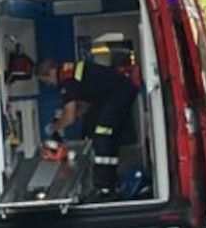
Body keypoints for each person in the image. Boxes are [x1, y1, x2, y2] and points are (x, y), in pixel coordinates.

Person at [53, 41, 143, 192]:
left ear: (49, 72)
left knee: (102, 133)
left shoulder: (66, 79)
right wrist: (65, 119)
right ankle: (110, 180)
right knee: (102, 132)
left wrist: (54, 127)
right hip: (116, 93)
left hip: (118, 93)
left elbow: (69, 116)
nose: (51, 84)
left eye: (47, 80)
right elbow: (84, 107)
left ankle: (104, 185)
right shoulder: (72, 71)